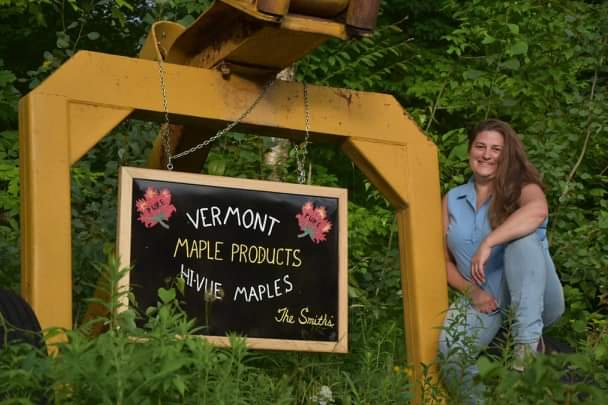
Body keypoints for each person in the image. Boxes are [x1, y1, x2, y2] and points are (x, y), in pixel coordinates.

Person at [438, 119, 565, 402]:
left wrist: (489, 242)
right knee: (450, 352)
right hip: (485, 298)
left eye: (496, 149)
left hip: (535, 294)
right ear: (469, 150)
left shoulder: (522, 188)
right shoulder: (453, 199)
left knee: (522, 239)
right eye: (480, 146)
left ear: (506, 155)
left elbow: (538, 210)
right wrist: (472, 291)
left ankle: (526, 349)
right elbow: (443, 261)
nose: (486, 154)